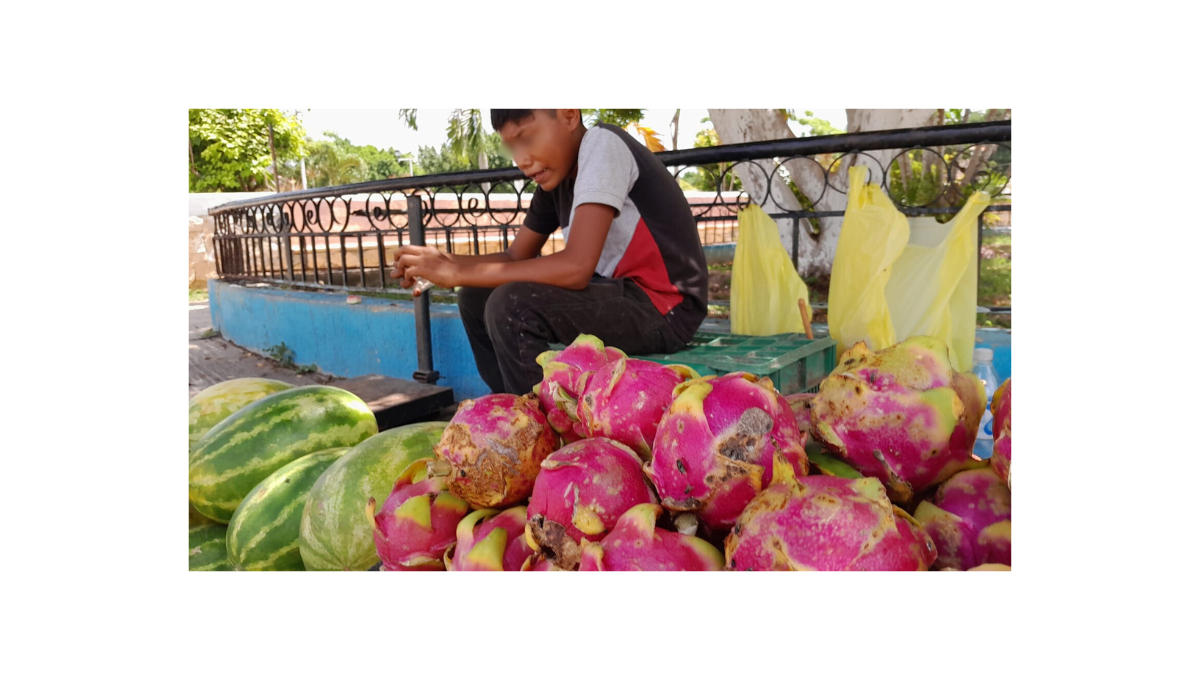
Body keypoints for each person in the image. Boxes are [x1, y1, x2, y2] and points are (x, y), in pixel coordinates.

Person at [390, 109, 707, 395]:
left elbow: (576, 267)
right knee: (475, 296)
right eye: (512, 147)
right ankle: (506, 410)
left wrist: (456, 272)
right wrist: (441, 262)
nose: (521, 159)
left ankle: (538, 428)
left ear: (569, 115)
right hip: (623, 295)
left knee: (511, 305)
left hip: (666, 308)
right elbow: (516, 257)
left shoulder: (602, 144)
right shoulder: (555, 184)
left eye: (526, 139)